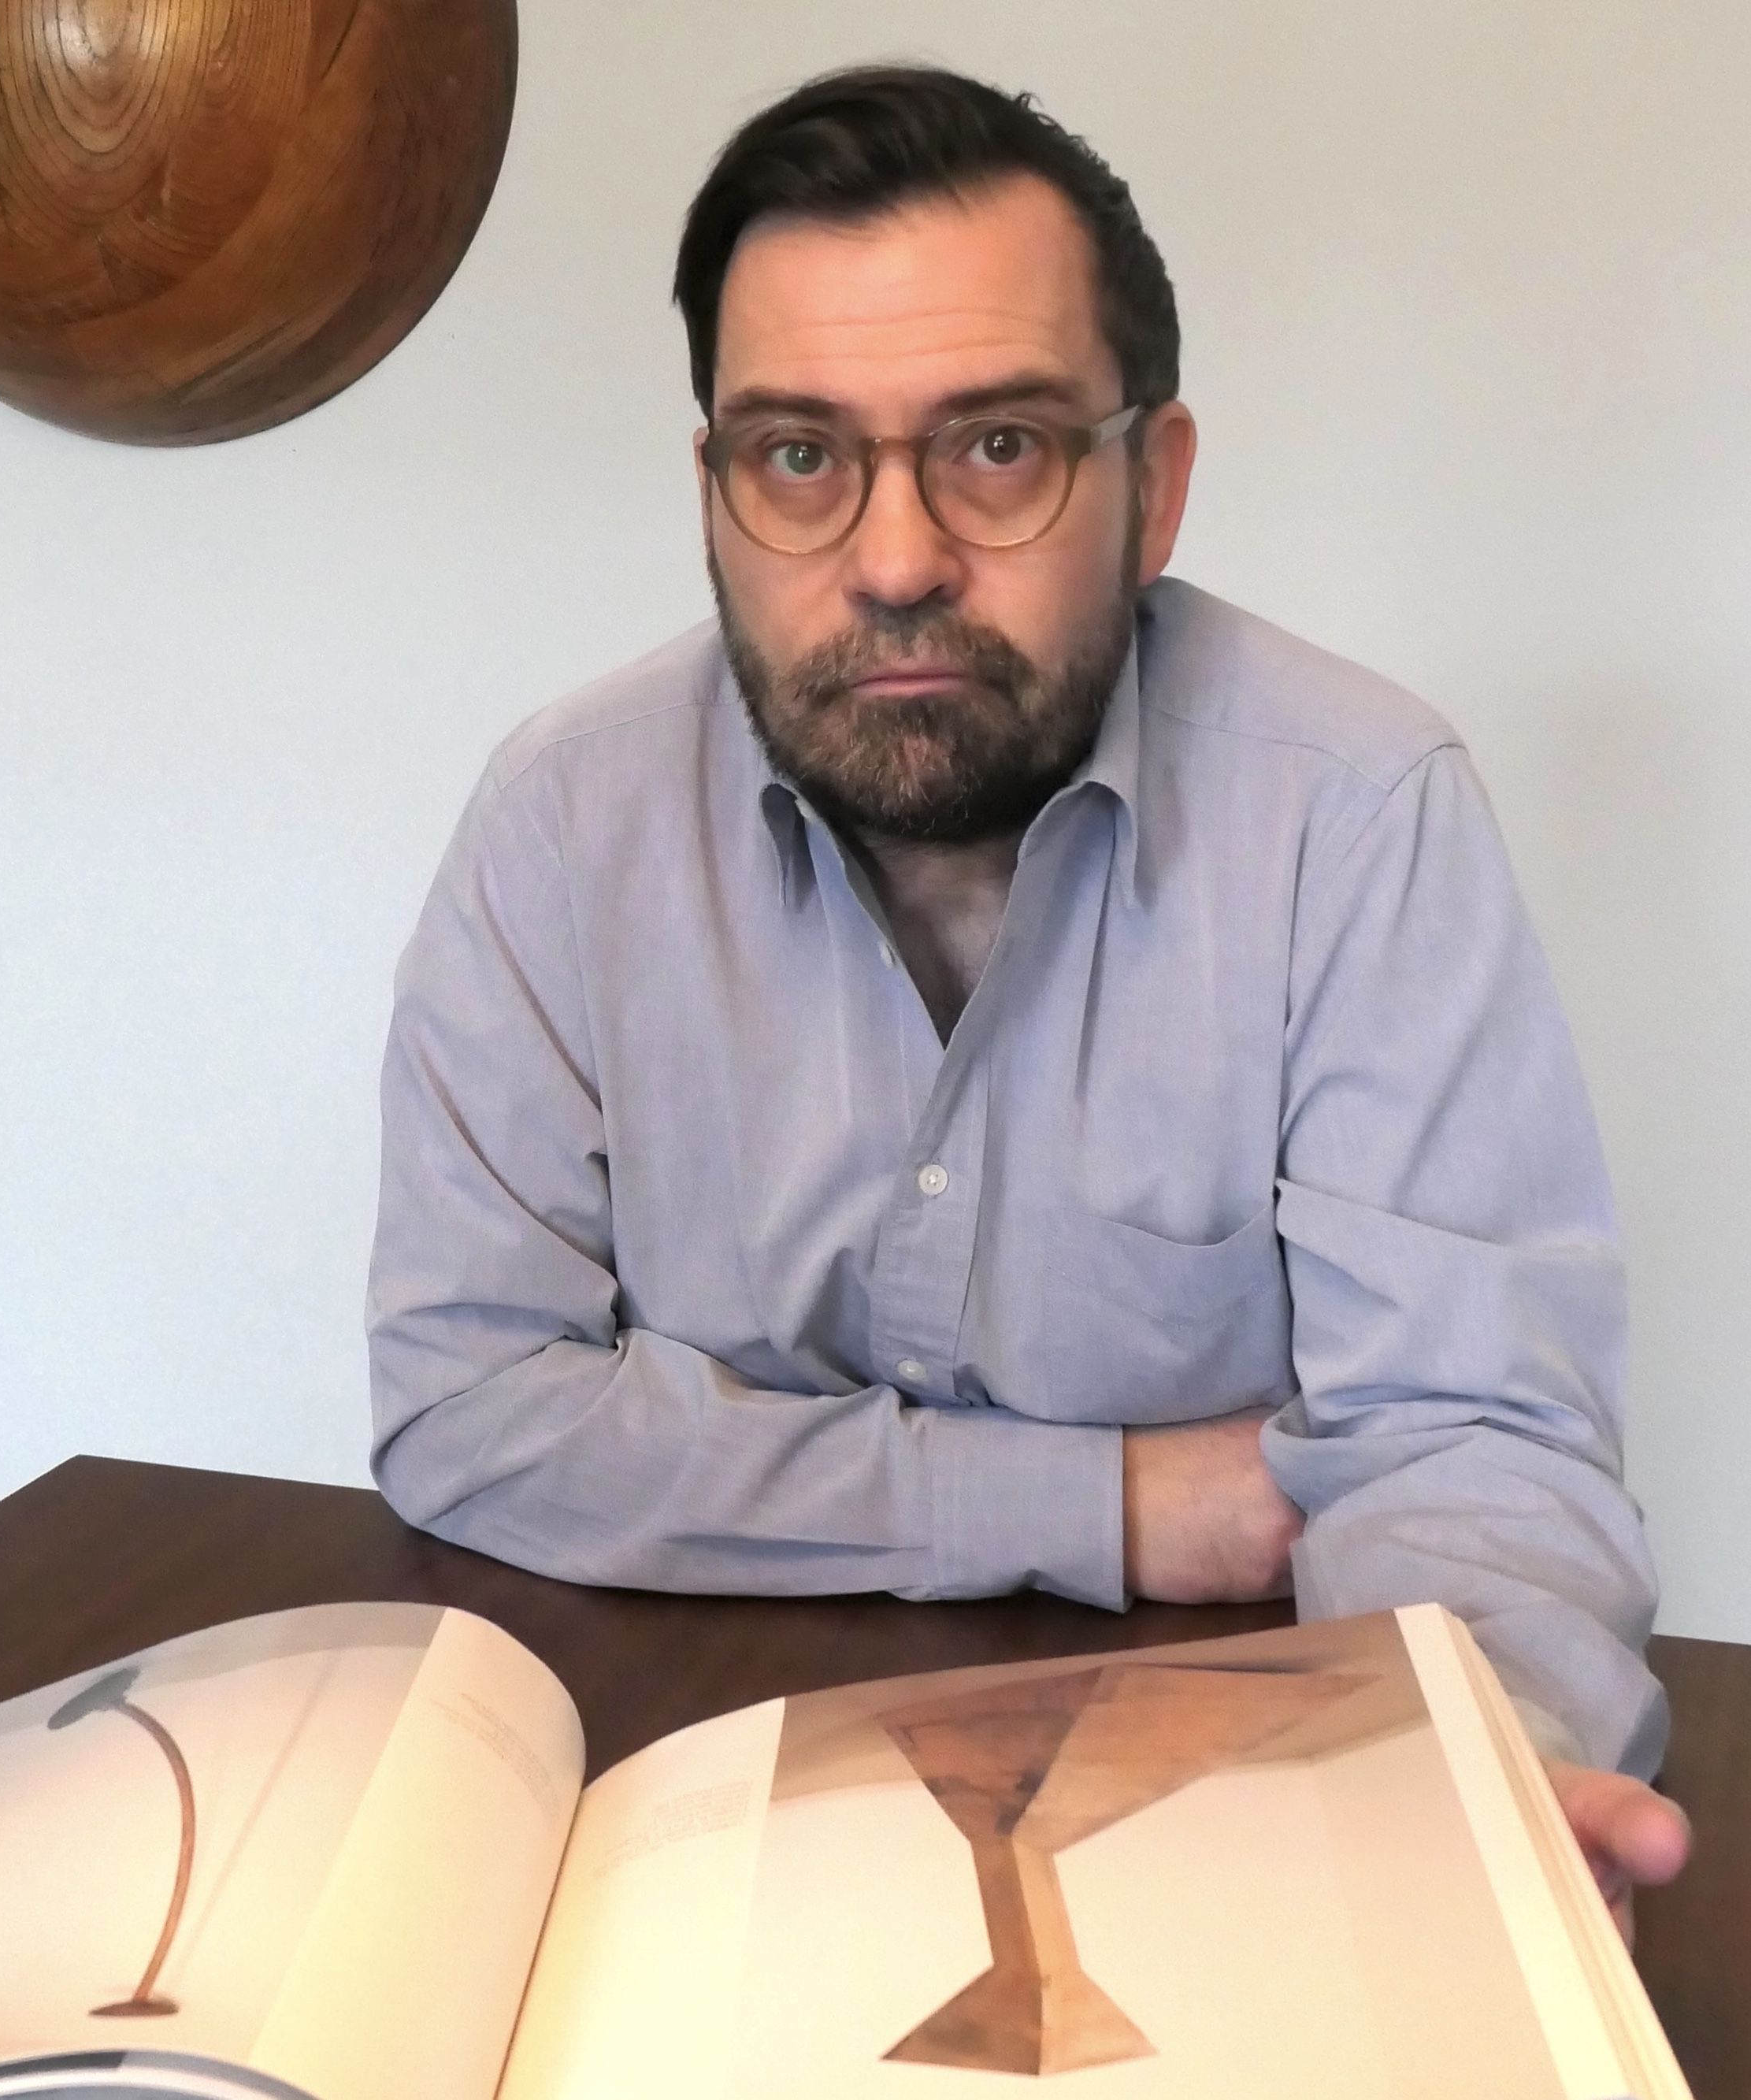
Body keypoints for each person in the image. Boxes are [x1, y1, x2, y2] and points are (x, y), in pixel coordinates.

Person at [365, 64, 1688, 1923]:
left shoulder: (1353, 810)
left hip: (1228, 1828)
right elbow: (470, 1406)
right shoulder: (564, 819)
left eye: (996, 446)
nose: (895, 561)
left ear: (1153, 488)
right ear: (715, 494)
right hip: (687, 1817)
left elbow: (1468, 1442)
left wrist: (1484, 1768)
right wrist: (1111, 1505)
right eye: (798, 457)